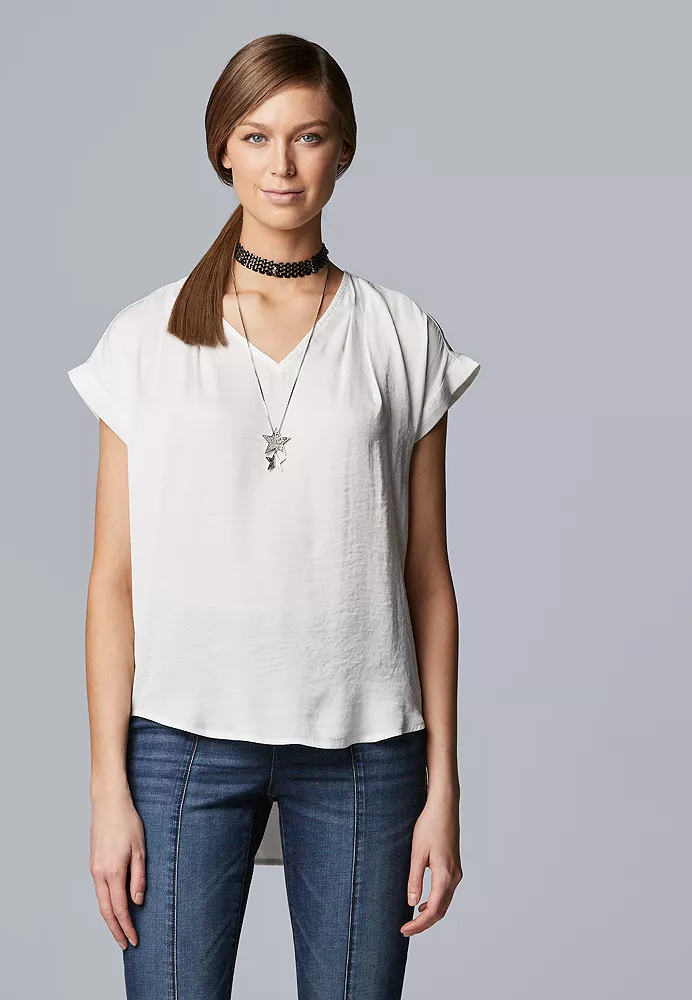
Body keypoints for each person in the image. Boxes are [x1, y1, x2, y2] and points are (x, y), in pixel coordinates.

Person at [67, 33, 480, 1000]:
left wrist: (445, 788)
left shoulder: (399, 336)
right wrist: (107, 790)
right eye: (257, 136)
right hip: (181, 745)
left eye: (309, 136)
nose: (283, 164)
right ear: (223, 149)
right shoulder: (145, 339)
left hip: (365, 753)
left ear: (344, 150)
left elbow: (429, 580)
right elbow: (112, 580)